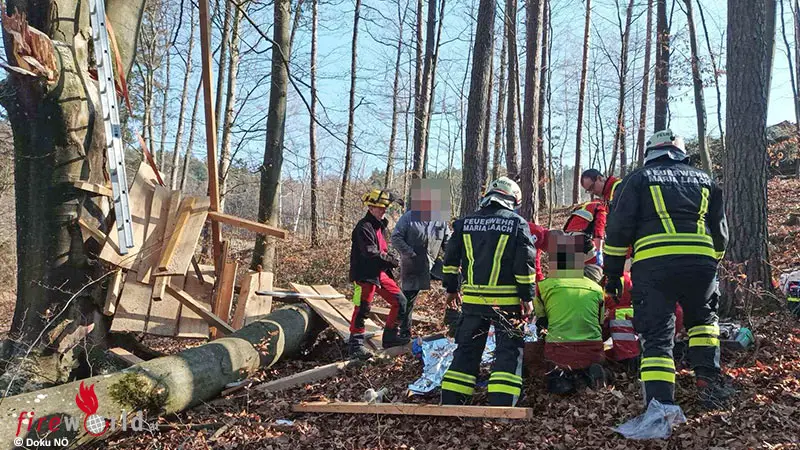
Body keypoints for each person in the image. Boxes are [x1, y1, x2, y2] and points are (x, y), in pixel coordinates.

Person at [603, 129, 731, 409]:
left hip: (654, 269)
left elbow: (617, 232)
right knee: (704, 325)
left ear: (650, 153)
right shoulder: (706, 180)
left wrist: (612, 274)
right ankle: (708, 387)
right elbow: (720, 232)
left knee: (657, 334)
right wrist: (713, 261)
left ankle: (660, 405)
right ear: (681, 154)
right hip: (701, 265)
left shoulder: (636, 180)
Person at [440, 177, 537, 407]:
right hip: (508, 303)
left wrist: (452, 289)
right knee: (508, 351)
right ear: (513, 199)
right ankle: (502, 404)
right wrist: (527, 297)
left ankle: (453, 400)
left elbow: (450, 261)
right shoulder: (517, 223)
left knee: (467, 349)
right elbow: (525, 265)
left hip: (473, 302)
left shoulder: (464, 223)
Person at [534, 231, 607, 394]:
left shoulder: (543, 287)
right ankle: (588, 372)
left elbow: (541, 322)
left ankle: (561, 378)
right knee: (587, 360)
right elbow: (600, 322)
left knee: (556, 370)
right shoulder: (596, 288)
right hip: (592, 348)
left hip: (558, 349)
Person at [348, 189, 409, 359]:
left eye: (385, 208)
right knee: (363, 308)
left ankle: (390, 337)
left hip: (380, 272)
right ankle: (355, 344)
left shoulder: (380, 226)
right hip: (364, 274)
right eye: (380, 208)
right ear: (371, 207)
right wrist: (390, 259)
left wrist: (390, 258)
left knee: (400, 301)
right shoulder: (363, 227)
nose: (383, 211)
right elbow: (371, 252)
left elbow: (381, 249)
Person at [391, 179, 452, 340]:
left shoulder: (440, 220)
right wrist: (409, 252)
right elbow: (396, 237)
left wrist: (453, 260)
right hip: (413, 263)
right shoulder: (409, 217)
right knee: (408, 298)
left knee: (455, 280)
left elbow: (449, 242)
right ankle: (403, 331)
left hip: (433, 262)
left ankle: (453, 321)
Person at [563, 199, 607, 266]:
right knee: (596, 271)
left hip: (563, 241)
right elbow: (598, 231)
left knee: (567, 274)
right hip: (581, 241)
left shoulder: (582, 206)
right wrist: (599, 252)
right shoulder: (600, 208)